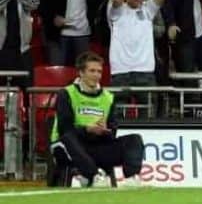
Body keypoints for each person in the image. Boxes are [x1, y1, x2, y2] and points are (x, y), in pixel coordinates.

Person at [49, 52, 144, 187]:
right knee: (68, 137)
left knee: (134, 139)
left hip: (97, 146)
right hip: (67, 147)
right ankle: (94, 176)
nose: (96, 75)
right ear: (81, 73)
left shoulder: (108, 97)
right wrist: (87, 129)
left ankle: (132, 178)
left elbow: (113, 130)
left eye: (99, 71)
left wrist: (106, 130)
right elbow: (64, 128)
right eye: (92, 71)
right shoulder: (66, 93)